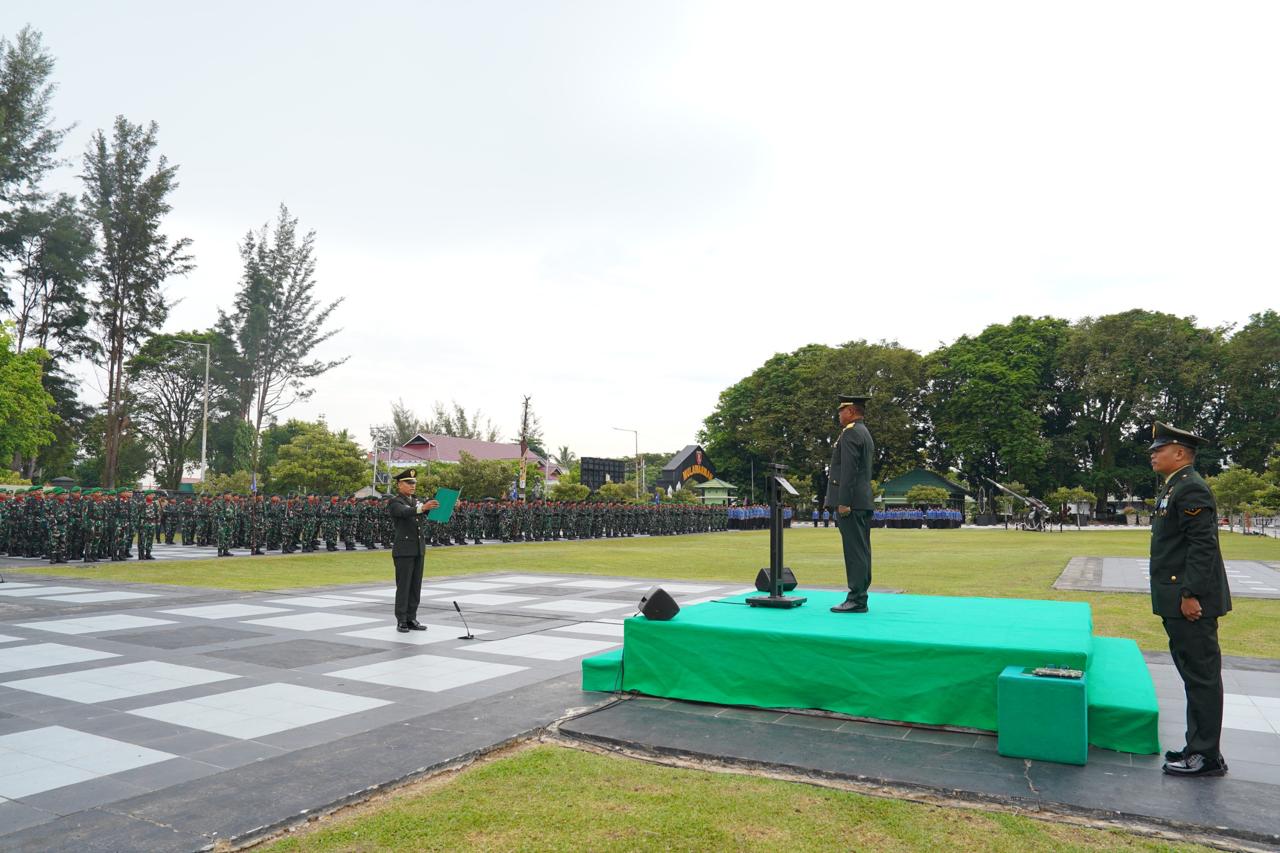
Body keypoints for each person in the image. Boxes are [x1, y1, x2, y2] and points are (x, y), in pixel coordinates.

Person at [1148, 422, 1232, 778]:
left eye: (1159, 449)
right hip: (1177, 597)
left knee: (1201, 677)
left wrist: (1190, 593)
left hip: (1189, 601)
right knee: (1193, 675)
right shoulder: (1175, 487)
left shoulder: (1191, 488)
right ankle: (1196, 746)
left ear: (1180, 453)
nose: (1153, 454)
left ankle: (1207, 756)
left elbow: (1203, 547)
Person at [826, 394, 875, 613]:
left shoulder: (851, 433)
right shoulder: (863, 432)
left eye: (841, 410)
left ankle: (856, 598)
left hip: (851, 503)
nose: (839, 414)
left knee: (854, 551)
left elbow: (848, 471)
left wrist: (843, 502)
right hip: (862, 501)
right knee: (862, 551)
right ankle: (859, 596)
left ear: (851, 412)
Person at [387, 469, 439, 633]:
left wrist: (443, 505)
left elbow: (428, 511)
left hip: (418, 549)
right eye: (409, 483)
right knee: (404, 586)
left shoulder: (416, 501)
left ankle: (411, 618)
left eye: (414, 483)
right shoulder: (395, 502)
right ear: (399, 484)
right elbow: (404, 512)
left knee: (415, 586)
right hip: (404, 550)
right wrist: (422, 508)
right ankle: (401, 619)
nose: (412, 486)